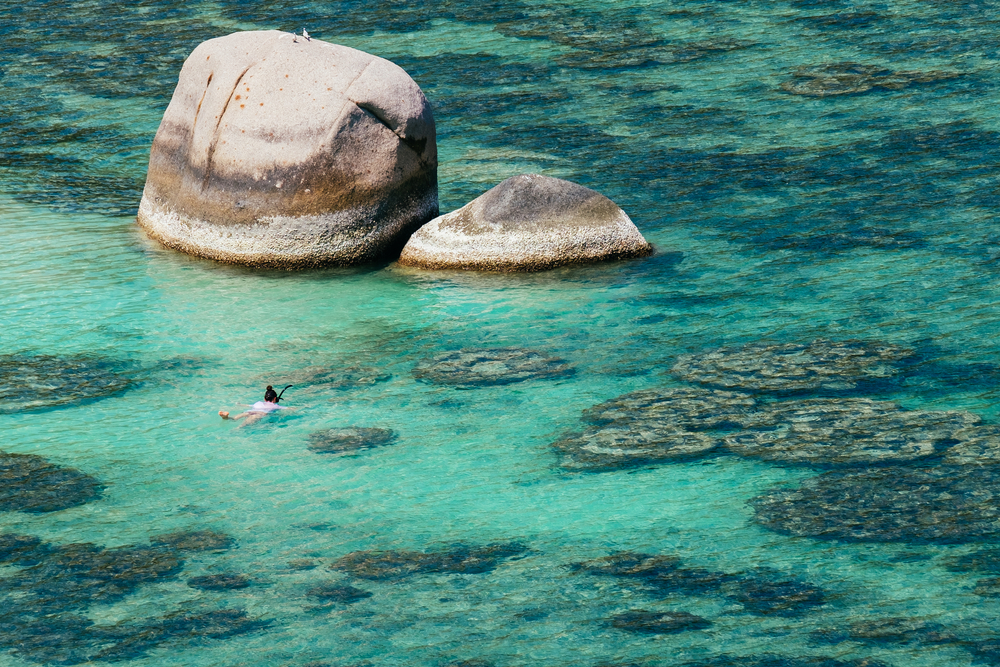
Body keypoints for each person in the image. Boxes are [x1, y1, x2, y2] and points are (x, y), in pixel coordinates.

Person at [219, 385, 288, 425]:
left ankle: (225, 417)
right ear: (275, 398)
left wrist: (239, 404)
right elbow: (289, 409)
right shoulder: (275, 406)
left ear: (264, 399)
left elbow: (247, 405)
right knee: (242, 426)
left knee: (233, 419)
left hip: (248, 412)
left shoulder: (258, 403)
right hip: (258, 414)